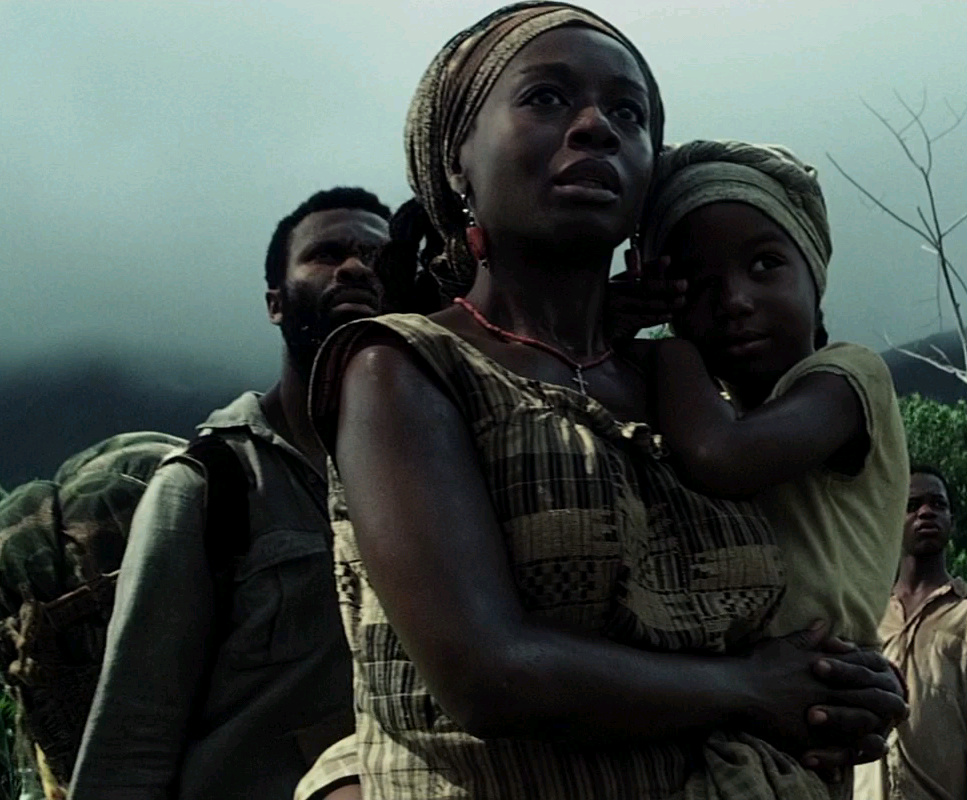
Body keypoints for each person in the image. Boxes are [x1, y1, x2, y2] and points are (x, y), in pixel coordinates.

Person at [308, 4, 904, 799]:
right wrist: (752, 689)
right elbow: (488, 675)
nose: (595, 126)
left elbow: (792, 617)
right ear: (457, 159)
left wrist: (851, 686)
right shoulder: (405, 368)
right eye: (547, 97)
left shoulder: (684, 390)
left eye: (628, 113)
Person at [67, 187, 392, 800]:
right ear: (275, 302)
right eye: (326, 255)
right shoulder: (211, 485)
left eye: (376, 257)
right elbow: (133, 732)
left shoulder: (432, 474)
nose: (354, 268)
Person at [638, 139, 907, 652]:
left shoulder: (850, 376)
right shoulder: (700, 409)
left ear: (814, 278)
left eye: (764, 264)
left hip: (825, 672)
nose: (734, 300)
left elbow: (722, 455)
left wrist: (667, 351)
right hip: (742, 681)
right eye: (697, 281)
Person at [856, 466, 967, 800]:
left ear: (951, 520)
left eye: (938, 504)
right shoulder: (865, 609)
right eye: (912, 505)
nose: (926, 512)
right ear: (891, 520)